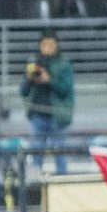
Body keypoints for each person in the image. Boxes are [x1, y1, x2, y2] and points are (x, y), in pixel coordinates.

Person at [19, 29, 74, 174]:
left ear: (56, 45)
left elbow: (66, 90)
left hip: (57, 116)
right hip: (38, 115)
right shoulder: (33, 62)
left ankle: (62, 184)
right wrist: (30, 79)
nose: (47, 48)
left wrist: (49, 80)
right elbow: (23, 91)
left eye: (50, 44)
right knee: (36, 154)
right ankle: (35, 188)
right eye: (44, 44)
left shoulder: (64, 64)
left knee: (59, 154)